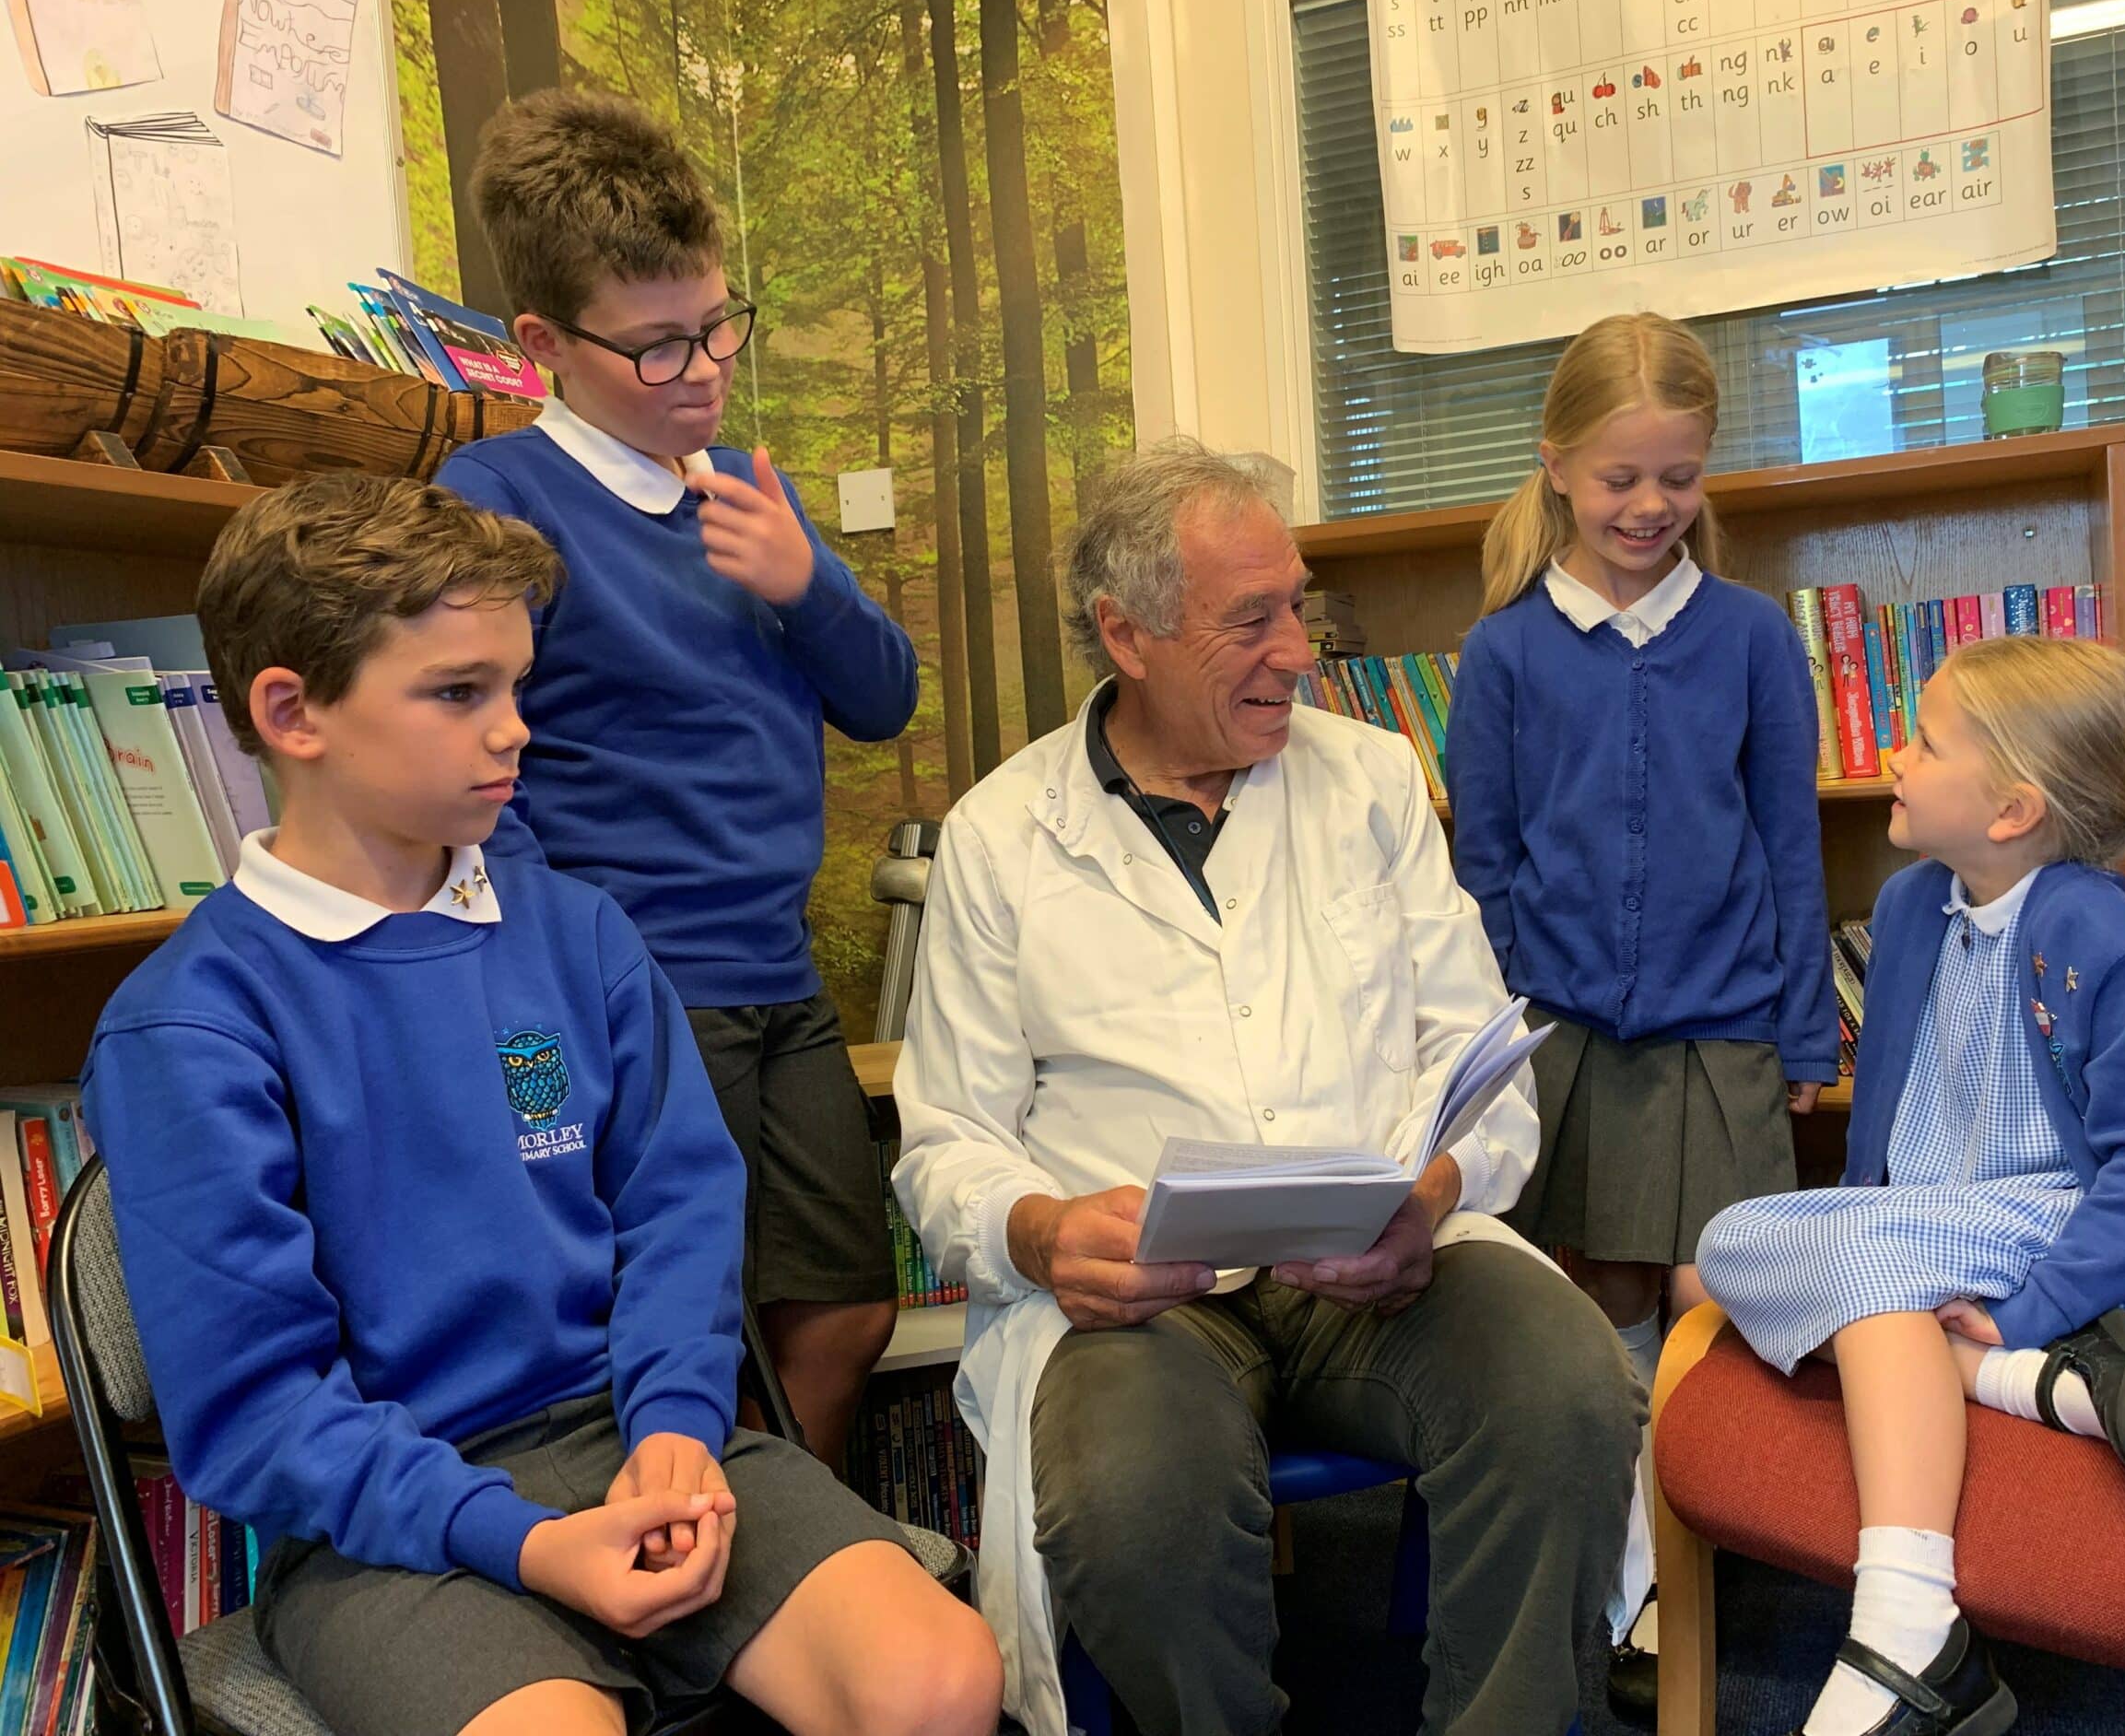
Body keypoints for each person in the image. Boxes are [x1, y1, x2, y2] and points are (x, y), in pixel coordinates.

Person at [81, 475, 999, 1736]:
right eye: (460, 693)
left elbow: (678, 1210)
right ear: (293, 712)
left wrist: (678, 1426)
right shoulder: (190, 1022)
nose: (515, 729)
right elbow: (255, 1415)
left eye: (516, 685)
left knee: (942, 1679)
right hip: (383, 1524)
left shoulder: (581, 936)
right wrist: (524, 1543)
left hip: (637, 1436)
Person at [890, 440, 1645, 1736]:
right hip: (1145, 1309)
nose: (1299, 650)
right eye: (1253, 620)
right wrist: (1046, 1231)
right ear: (1125, 635)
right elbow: (943, 1143)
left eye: (1299, 605)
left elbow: (1481, 1068)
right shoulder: (1004, 837)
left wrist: (1435, 1191)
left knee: (1565, 1387)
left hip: (1378, 1270)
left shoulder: (1369, 782)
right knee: (1132, 1496)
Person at [434, 89, 920, 1473]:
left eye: (717, 326)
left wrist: (805, 579)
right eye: (656, 347)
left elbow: (883, 698)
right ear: (543, 347)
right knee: (681, 1318)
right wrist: (552, 961)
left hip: (776, 977)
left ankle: (780, 1539)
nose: (703, 367)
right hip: (634, 984)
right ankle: (731, 1589)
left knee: (844, 1305)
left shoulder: (745, 490)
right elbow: (474, 759)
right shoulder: (500, 495)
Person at [1697, 635, 2125, 1736]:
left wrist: (2031, 1305)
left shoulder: (2100, 935)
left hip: (2066, 1233)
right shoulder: (1918, 904)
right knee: (1722, 1249)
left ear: (2011, 810)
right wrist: (1859, 1232)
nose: (1893, 757)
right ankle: (2024, 1384)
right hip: (1937, 1224)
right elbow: (1887, 1127)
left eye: (1922, 742)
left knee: (1846, 1271)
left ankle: (1907, 1623)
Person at [1444, 311, 1838, 1714]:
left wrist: (1804, 1033)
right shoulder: (1500, 658)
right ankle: (1633, 1581)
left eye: (1677, 477)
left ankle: (1714, 1544)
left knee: (1714, 1298)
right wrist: (1482, 1063)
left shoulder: (1745, 638)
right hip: (1559, 1050)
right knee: (1596, 1305)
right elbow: (1480, 872)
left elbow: (1790, 844)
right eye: (1620, 480)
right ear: (1557, 468)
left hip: (1720, 1034)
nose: (1650, 507)